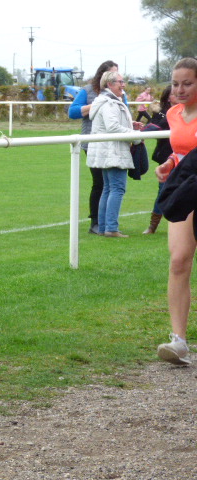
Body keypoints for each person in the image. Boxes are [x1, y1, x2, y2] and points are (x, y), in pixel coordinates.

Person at [154, 57, 197, 365]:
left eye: (188, 84)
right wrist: (169, 163)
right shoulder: (173, 113)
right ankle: (179, 341)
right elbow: (180, 149)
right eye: (176, 84)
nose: (180, 90)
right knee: (179, 260)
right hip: (184, 190)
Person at [86, 70, 143, 238]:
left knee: (108, 189)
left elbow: (111, 124)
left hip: (107, 151)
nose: (123, 85)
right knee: (117, 188)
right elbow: (112, 127)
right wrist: (136, 136)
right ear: (109, 84)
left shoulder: (104, 101)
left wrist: (130, 125)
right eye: (120, 82)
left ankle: (104, 227)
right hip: (113, 151)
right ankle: (111, 228)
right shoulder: (109, 103)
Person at [69, 60, 120, 235]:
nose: (116, 77)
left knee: (112, 184)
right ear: (103, 74)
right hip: (92, 143)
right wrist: (97, 105)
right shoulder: (88, 90)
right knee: (99, 182)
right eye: (112, 73)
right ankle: (95, 222)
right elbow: (72, 112)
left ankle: (107, 223)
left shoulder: (119, 92)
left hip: (113, 143)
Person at [141, 85, 175, 234]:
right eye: (173, 93)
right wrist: (140, 132)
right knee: (163, 191)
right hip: (166, 156)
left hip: (187, 156)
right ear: (168, 98)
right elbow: (155, 128)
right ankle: (152, 226)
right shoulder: (162, 113)